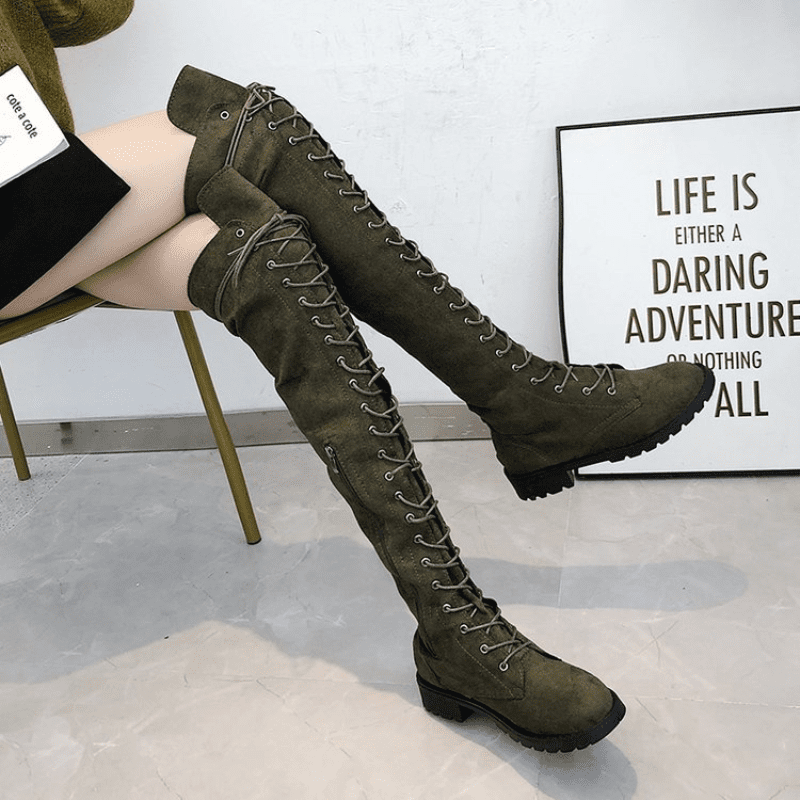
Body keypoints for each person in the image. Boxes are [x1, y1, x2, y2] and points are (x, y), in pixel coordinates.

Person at [1, 1, 715, 753]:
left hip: (39, 192)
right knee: (247, 126)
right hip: (20, 209)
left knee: (269, 258)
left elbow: (84, 14)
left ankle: (455, 633)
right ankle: (527, 402)